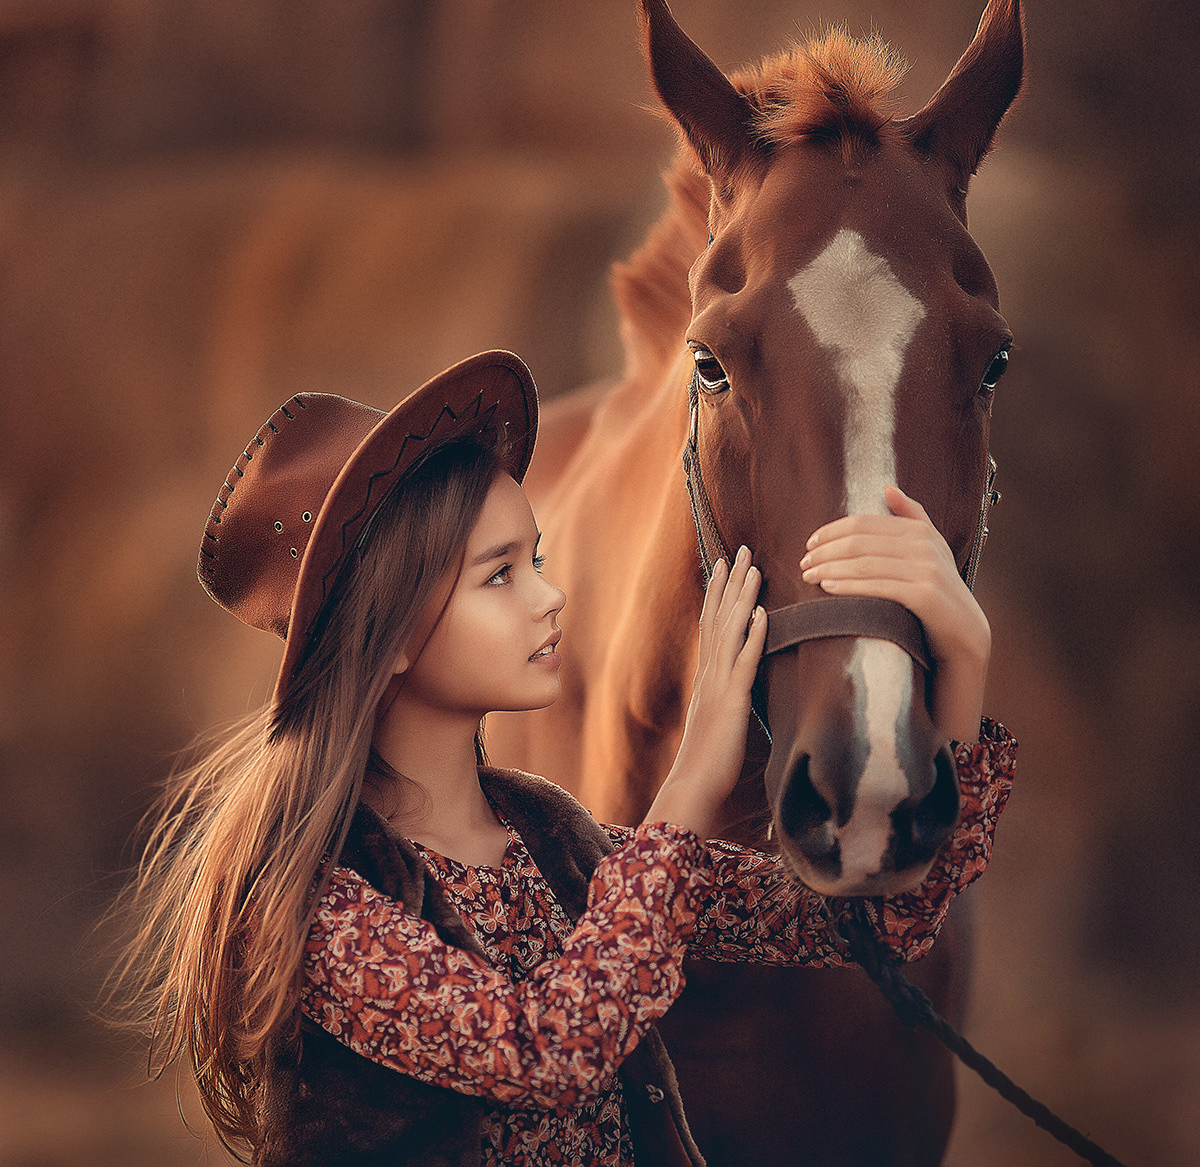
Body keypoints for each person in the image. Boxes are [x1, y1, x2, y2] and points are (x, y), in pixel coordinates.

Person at [116, 351, 1015, 1166]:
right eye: (500, 574)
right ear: (389, 633)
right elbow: (547, 1050)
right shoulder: (325, 905)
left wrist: (962, 660)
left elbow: (875, 922)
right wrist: (693, 779)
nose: (550, 598)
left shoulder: (554, 841)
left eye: (537, 559)